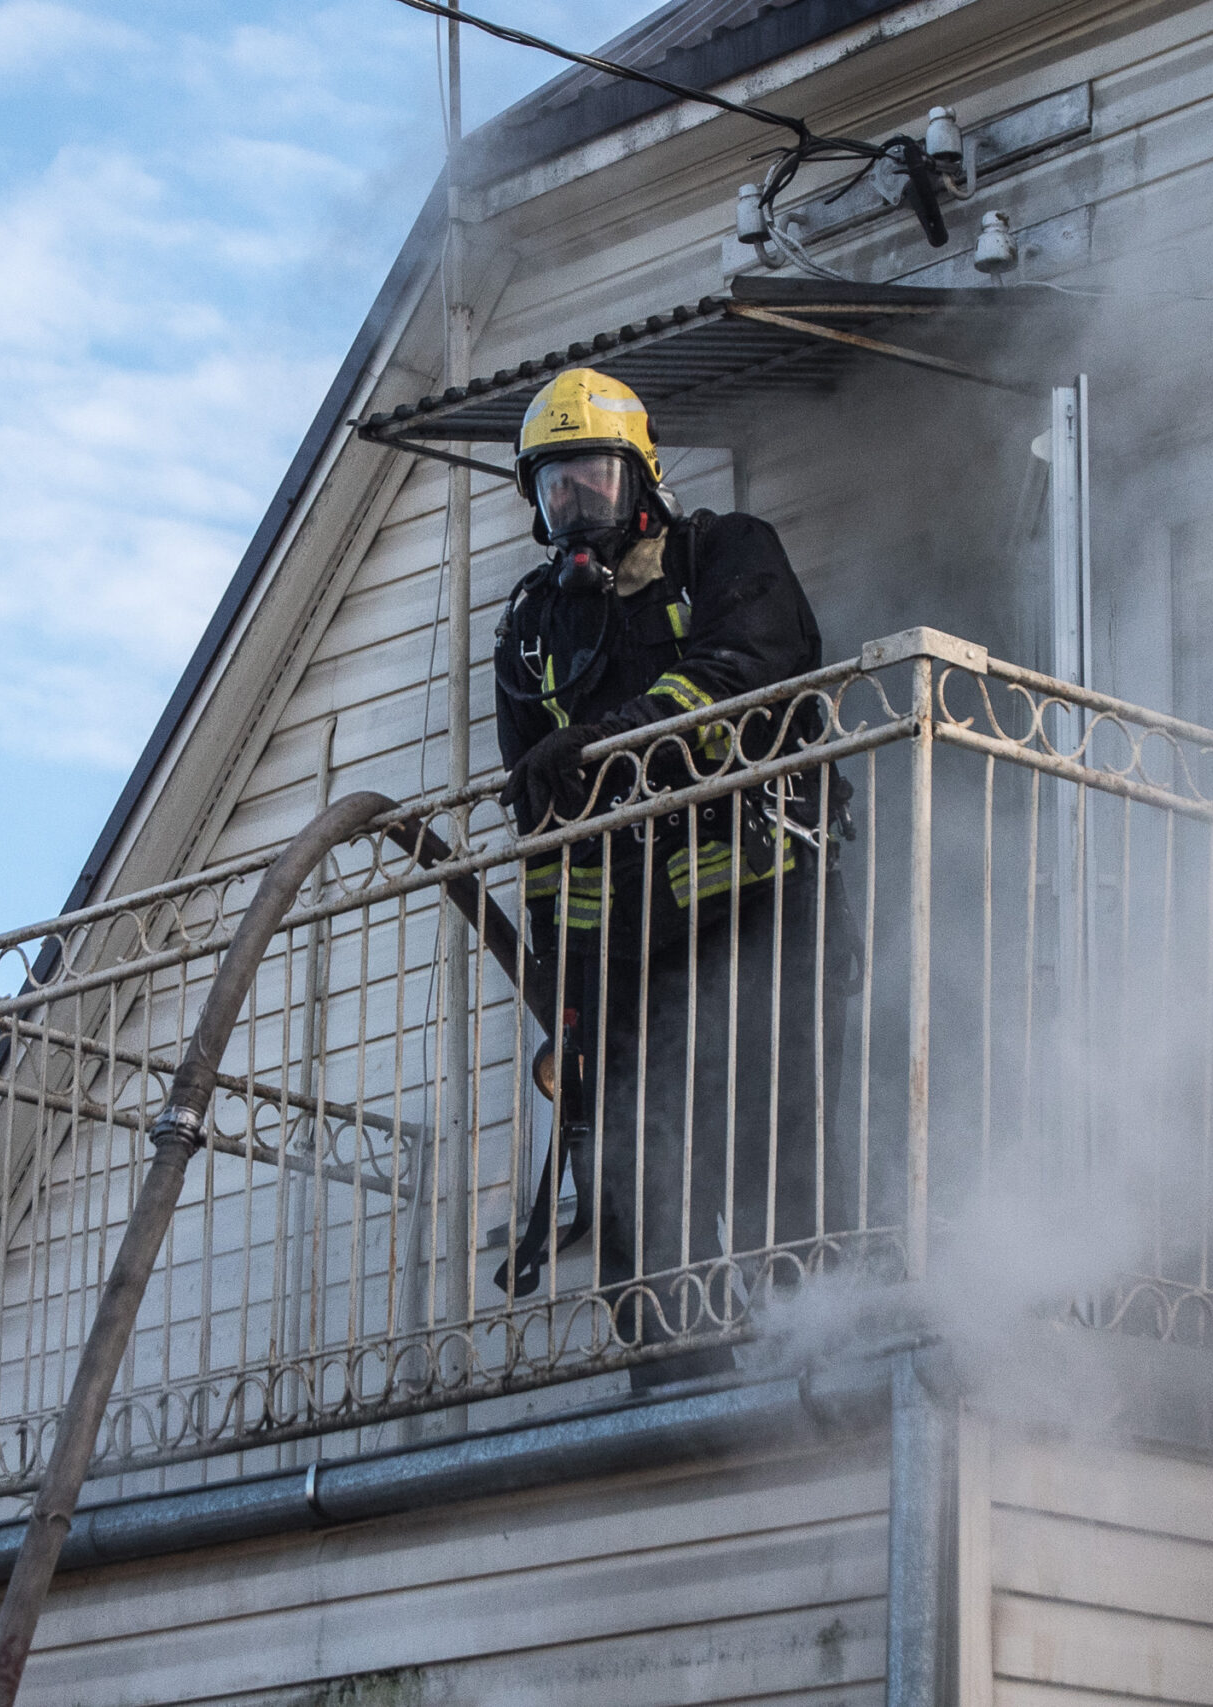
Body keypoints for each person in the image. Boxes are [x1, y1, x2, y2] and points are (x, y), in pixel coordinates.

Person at [491, 366, 856, 1387]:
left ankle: (818, 1367)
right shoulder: (532, 631)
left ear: (641, 477)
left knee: (775, 1147)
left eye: (593, 481)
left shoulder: (723, 556)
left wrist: (616, 737)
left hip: (762, 915)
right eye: (556, 488)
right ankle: (679, 1382)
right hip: (621, 957)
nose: (576, 507)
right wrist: (564, 986)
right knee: (631, 1177)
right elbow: (539, 814)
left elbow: (749, 670)